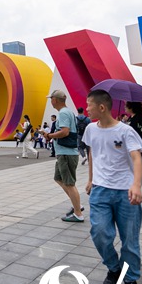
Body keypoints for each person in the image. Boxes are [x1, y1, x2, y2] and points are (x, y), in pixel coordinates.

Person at [83, 89, 142, 284]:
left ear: (101, 107)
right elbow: (93, 153)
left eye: (89, 104)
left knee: (130, 239)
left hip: (125, 192)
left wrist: (136, 185)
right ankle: (114, 267)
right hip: (100, 191)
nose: (86, 108)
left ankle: (130, 279)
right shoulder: (91, 129)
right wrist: (91, 179)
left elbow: (137, 158)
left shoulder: (126, 131)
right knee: (99, 232)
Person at [43, 90, 84, 222]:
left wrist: (49, 135)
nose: (51, 101)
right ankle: (77, 204)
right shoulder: (67, 112)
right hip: (64, 153)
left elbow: (65, 132)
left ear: (55, 99)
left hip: (67, 154)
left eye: (51, 99)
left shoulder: (64, 113)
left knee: (69, 183)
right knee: (59, 178)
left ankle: (78, 213)